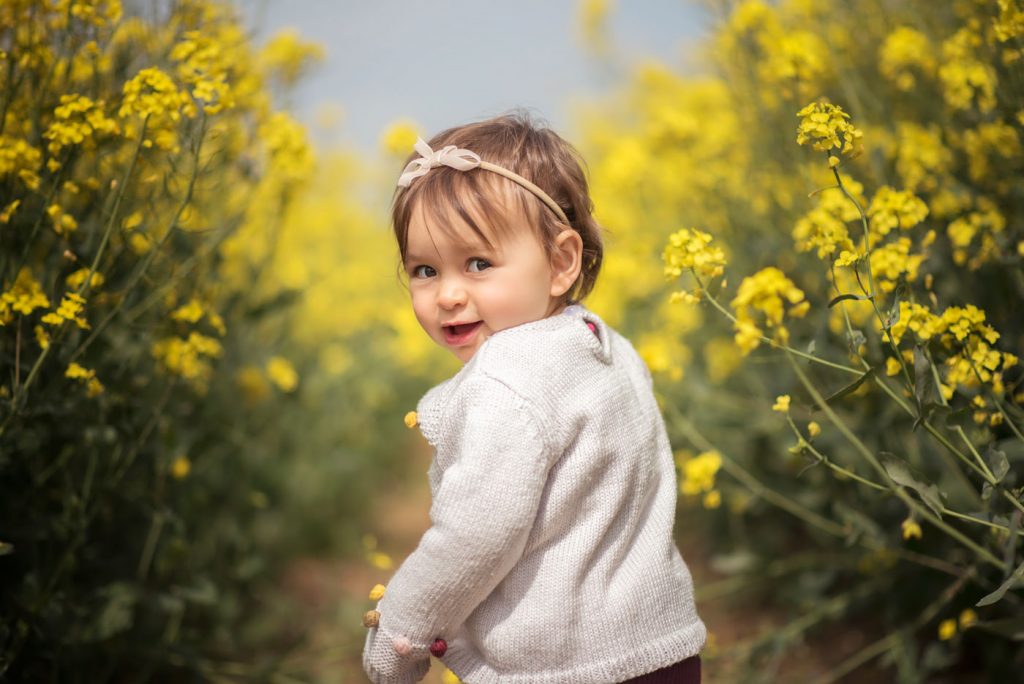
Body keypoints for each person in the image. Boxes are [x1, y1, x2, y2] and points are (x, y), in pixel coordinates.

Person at [362, 110, 706, 684]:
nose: (447, 294)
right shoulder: (606, 346)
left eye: (478, 264)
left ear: (561, 262)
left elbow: (471, 538)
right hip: (663, 647)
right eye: (424, 270)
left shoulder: (504, 383)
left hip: (562, 667)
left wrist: (401, 632)